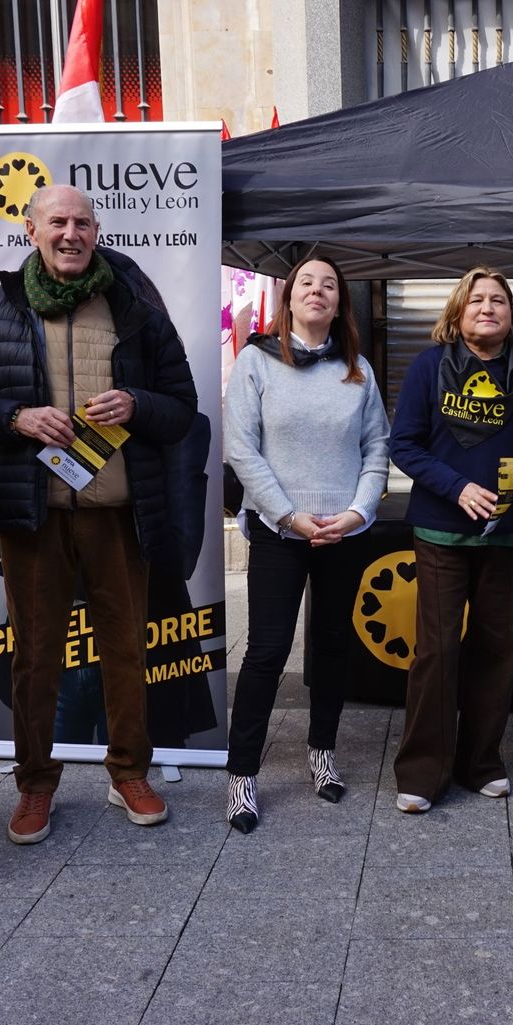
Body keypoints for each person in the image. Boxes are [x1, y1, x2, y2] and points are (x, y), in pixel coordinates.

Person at [0, 184, 197, 845]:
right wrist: (16, 416)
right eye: (57, 221)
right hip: (35, 515)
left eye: (82, 222)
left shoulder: (135, 305)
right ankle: (36, 784)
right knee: (35, 657)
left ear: (96, 230)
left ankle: (129, 772)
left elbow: (182, 407)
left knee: (124, 648)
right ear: (31, 231)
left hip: (119, 513)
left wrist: (138, 405)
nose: (70, 233)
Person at [222, 256, 390, 833]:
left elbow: (377, 452)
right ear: (289, 298)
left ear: (340, 304)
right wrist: (289, 516)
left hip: (343, 531)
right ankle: (242, 775)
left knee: (333, 645)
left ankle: (323, 753)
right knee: (266, 652)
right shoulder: (256, 362)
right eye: (307, 284)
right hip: (279, 531)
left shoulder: (357, 371)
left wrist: (356, 512)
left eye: (330, 286)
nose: (318, 292)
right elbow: (242, 451)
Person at [389, 265, 513, 813]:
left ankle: (481, 762)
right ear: (458, 311)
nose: (488, 307)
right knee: (435, 652)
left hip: (507, 535)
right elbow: (403, 445)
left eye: (498, 300)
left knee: (498, 650)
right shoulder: (429, 367)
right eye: (476, 299)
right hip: (441, 531)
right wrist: (457, 489)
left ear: (511, 314)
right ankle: (422, 772)